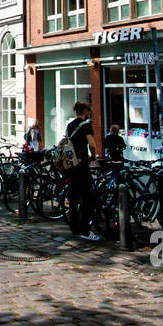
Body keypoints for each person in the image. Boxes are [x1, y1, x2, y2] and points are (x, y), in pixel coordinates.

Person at [64, 101, 98, 240]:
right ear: (84, 111)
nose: (89, 113)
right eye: (88, 111)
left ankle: (74, 227)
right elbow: (92, 144)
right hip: (82, 164)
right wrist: (93, 156)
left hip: (71, 165)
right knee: (87, 197)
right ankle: (85, 229)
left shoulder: (69, 125)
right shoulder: (86, 126)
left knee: (73, 197)